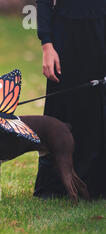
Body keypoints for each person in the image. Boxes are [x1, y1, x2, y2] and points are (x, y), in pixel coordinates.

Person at [34, 0, 106, 199]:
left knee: (97, 106)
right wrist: (47, 46)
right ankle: (60, 185)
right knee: (63, 109)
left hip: (101, 31)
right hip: (65, 34)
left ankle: (96, 184)